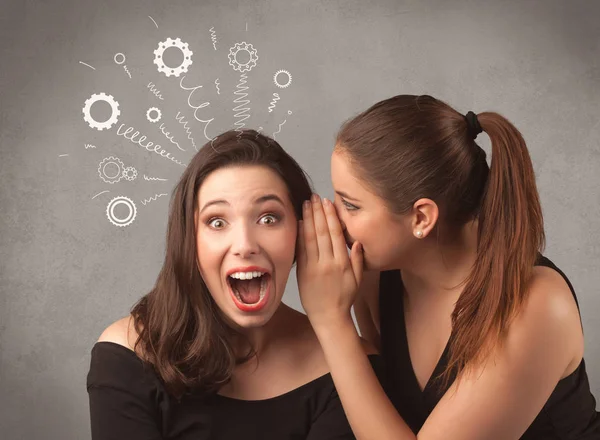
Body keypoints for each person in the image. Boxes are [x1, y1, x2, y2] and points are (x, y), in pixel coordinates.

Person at [296, 95, 600, 439]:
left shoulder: (537, 306)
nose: (333, 217)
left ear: (421, 217)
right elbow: (378, 412)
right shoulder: (374, 277)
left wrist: (332, 323)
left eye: (350, 205)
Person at [86, 129, 380, 440]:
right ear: (189, 240)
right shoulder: (127, 355)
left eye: (268, 218)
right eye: (217, 222)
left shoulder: (351, 372)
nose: (244, 245)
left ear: (302, 232)